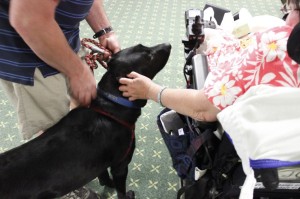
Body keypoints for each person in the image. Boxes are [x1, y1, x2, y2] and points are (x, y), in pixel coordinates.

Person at [0, 0, 120, 198]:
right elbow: (28, 18)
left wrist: (104, 31)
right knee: (53, 134)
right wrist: (77, 72)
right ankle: (63, 191)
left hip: (59, 34)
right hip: (26, 50)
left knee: (78, 116)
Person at [119, 0, 300, 123]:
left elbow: (203, 109)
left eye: (293, 9)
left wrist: (151, 91)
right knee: (262, 22)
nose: (288, 17)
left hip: (234, 97)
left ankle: (215, 31)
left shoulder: (273, 49)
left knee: (216, 36)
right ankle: (219, 31)